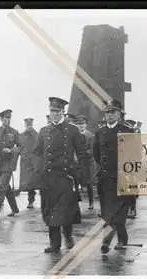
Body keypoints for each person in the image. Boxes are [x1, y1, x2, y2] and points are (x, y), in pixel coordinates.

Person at [34, 97, 85, 253]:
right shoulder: (44, 131)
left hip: (65, 178)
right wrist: (40, 169)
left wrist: (76, 173)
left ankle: (68, 237)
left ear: (63, 112)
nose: (53, 114)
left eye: (56, 111)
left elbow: (82, 153)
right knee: (50, 211)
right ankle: (54, 244)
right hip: (48, 178)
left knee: (65, 211)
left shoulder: (72, 130)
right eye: (51, 111)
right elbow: (36, 152)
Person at [93, 100, 135, 253]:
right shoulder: (99, 132)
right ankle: (114, 240)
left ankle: (115, 240)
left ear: (119, 114)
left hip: (122, 178)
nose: (110, 115)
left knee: (118, 214)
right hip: (106, 179)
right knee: (107, 213)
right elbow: (96, 154)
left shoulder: (127, 131)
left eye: (113, 112)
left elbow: (134, 154)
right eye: (107, 112)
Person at [0, 109, 21, 220]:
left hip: (8, 163)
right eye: (5, 119)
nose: (7, 120)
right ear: (1, 119)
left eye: (8, 118)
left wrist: (12, 150)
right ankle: (15, 209)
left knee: (2, 187)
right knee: (6, 187)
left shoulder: (14, 132)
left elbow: (20, 147)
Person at [19, 118, 42, 209]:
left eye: (30, 125)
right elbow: (19, 147)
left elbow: (40, 146)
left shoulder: (37, 135)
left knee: (35, 181)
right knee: (28, 183)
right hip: (25, 162)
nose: (29, 127)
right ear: (25, 125)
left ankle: (34, 201)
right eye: (27, 125)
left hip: (34, 162)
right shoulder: (21, 136)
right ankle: (30, 201)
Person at [76, 114, 96, 210]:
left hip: (87, 163)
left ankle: (91, 202)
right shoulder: (75, 135)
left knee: (89, 184)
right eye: (79, 124)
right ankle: (76, 203)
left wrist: (80, 153)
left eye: (83, 124)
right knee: (76, 182)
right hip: (78, 163)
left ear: (86, 125)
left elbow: (91, 151)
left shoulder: (90, 136)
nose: (81, 126)